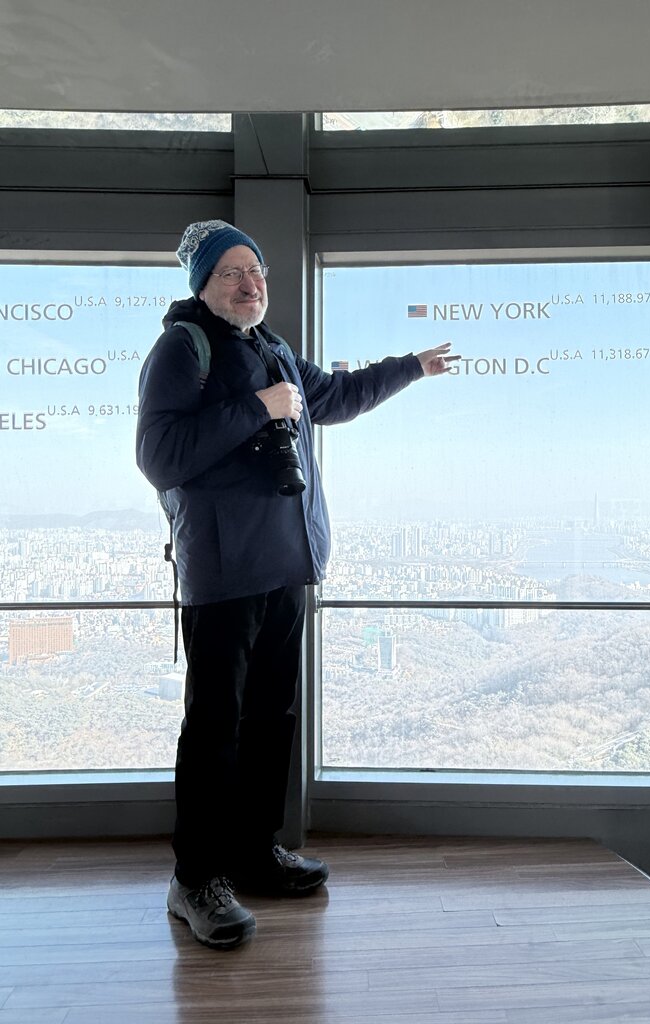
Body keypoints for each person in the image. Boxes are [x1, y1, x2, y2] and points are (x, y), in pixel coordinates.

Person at [135, 219, 457, 950]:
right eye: (231, 273)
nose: (250, 284)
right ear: (203, 284)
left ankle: (254, 852)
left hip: (286, 566)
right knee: (215, 729)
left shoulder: (271, 348)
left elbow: (335, 397)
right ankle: (195, 879)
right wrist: (257, 408)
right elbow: (158, 454)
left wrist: (411, 367)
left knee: (270, 719)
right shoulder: (183, 348)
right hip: (222, 574)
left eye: (256, 272)